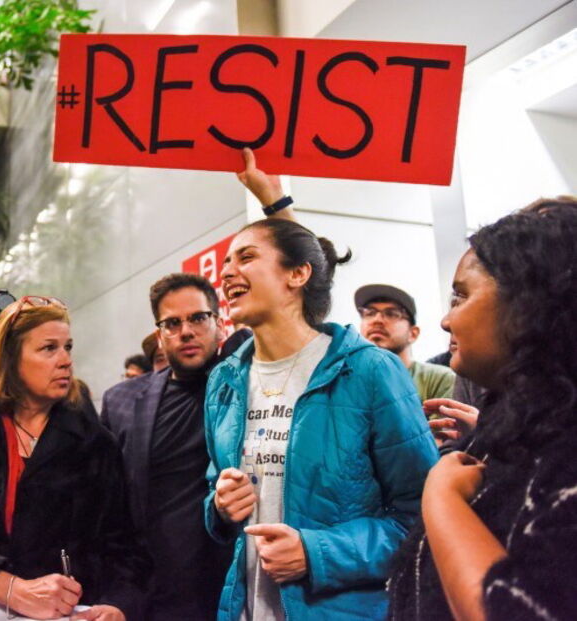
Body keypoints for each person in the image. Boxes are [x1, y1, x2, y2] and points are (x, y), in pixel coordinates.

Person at [204, 149, 438, 621]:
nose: (228, 272)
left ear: (298, 273)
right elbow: (215, 486)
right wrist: (220, 506)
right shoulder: (223, 381)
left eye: (246, 257)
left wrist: (318, 552)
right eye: (226, 261)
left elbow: (423, 518)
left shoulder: (369, 371)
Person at [387, 197, 577, 620]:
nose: (446, 321)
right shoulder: (512, 431)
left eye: (461, 297)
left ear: (527, 303)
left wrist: (443, 500)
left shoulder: (563, 452)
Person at [0, 296, 149, 621]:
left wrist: (118, 606)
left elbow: (124, 546)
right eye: (49, 348)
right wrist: (8, 588)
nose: (65, 360)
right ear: (9, 358)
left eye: (68, 347)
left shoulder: (95, 442)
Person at [101, 273, 233, 620]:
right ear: (160, 335)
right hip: (150, 592)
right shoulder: (121, 401)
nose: (186, 331)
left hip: (227, 589)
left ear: (219, 324)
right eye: (172, 323)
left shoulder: (243, 383)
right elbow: (105, 505)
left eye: (198, 318)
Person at [355, 284, 456, 402]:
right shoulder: (344, 382)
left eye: (391, 314)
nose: (377, 320)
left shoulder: (439, 379)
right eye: (370, 313)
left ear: (413, 333)